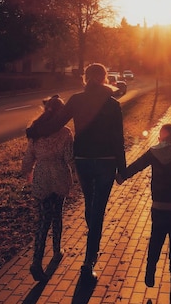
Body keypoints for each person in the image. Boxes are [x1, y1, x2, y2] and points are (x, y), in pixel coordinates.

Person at [26, 63, 126, 282]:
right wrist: (123, 169)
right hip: (106, 163)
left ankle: (92, 247)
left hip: (83, 161)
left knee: (91, 206)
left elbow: (54, 124)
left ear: (86, 78)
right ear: (104, 78)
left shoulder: (76, 100)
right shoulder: (112, 105)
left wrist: (34, 129)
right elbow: (118, 139)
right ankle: (89, 263)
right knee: (97, 211)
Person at [116, 123, 171, 287]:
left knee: (156, 237)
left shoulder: (153, 153)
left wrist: (122, 176)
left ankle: (150, 269)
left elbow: (137, 166)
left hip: (158, 205)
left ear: (160, 137)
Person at [22, 95, 76, 282]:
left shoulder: (36, 130)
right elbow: (69, 158)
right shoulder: (65, 132)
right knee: (57, 214)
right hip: (60, 175)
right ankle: (57, 249)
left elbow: (28, 157)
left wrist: (28, 172)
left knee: (43, 220)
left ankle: (36, 261)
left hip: (42, 176)